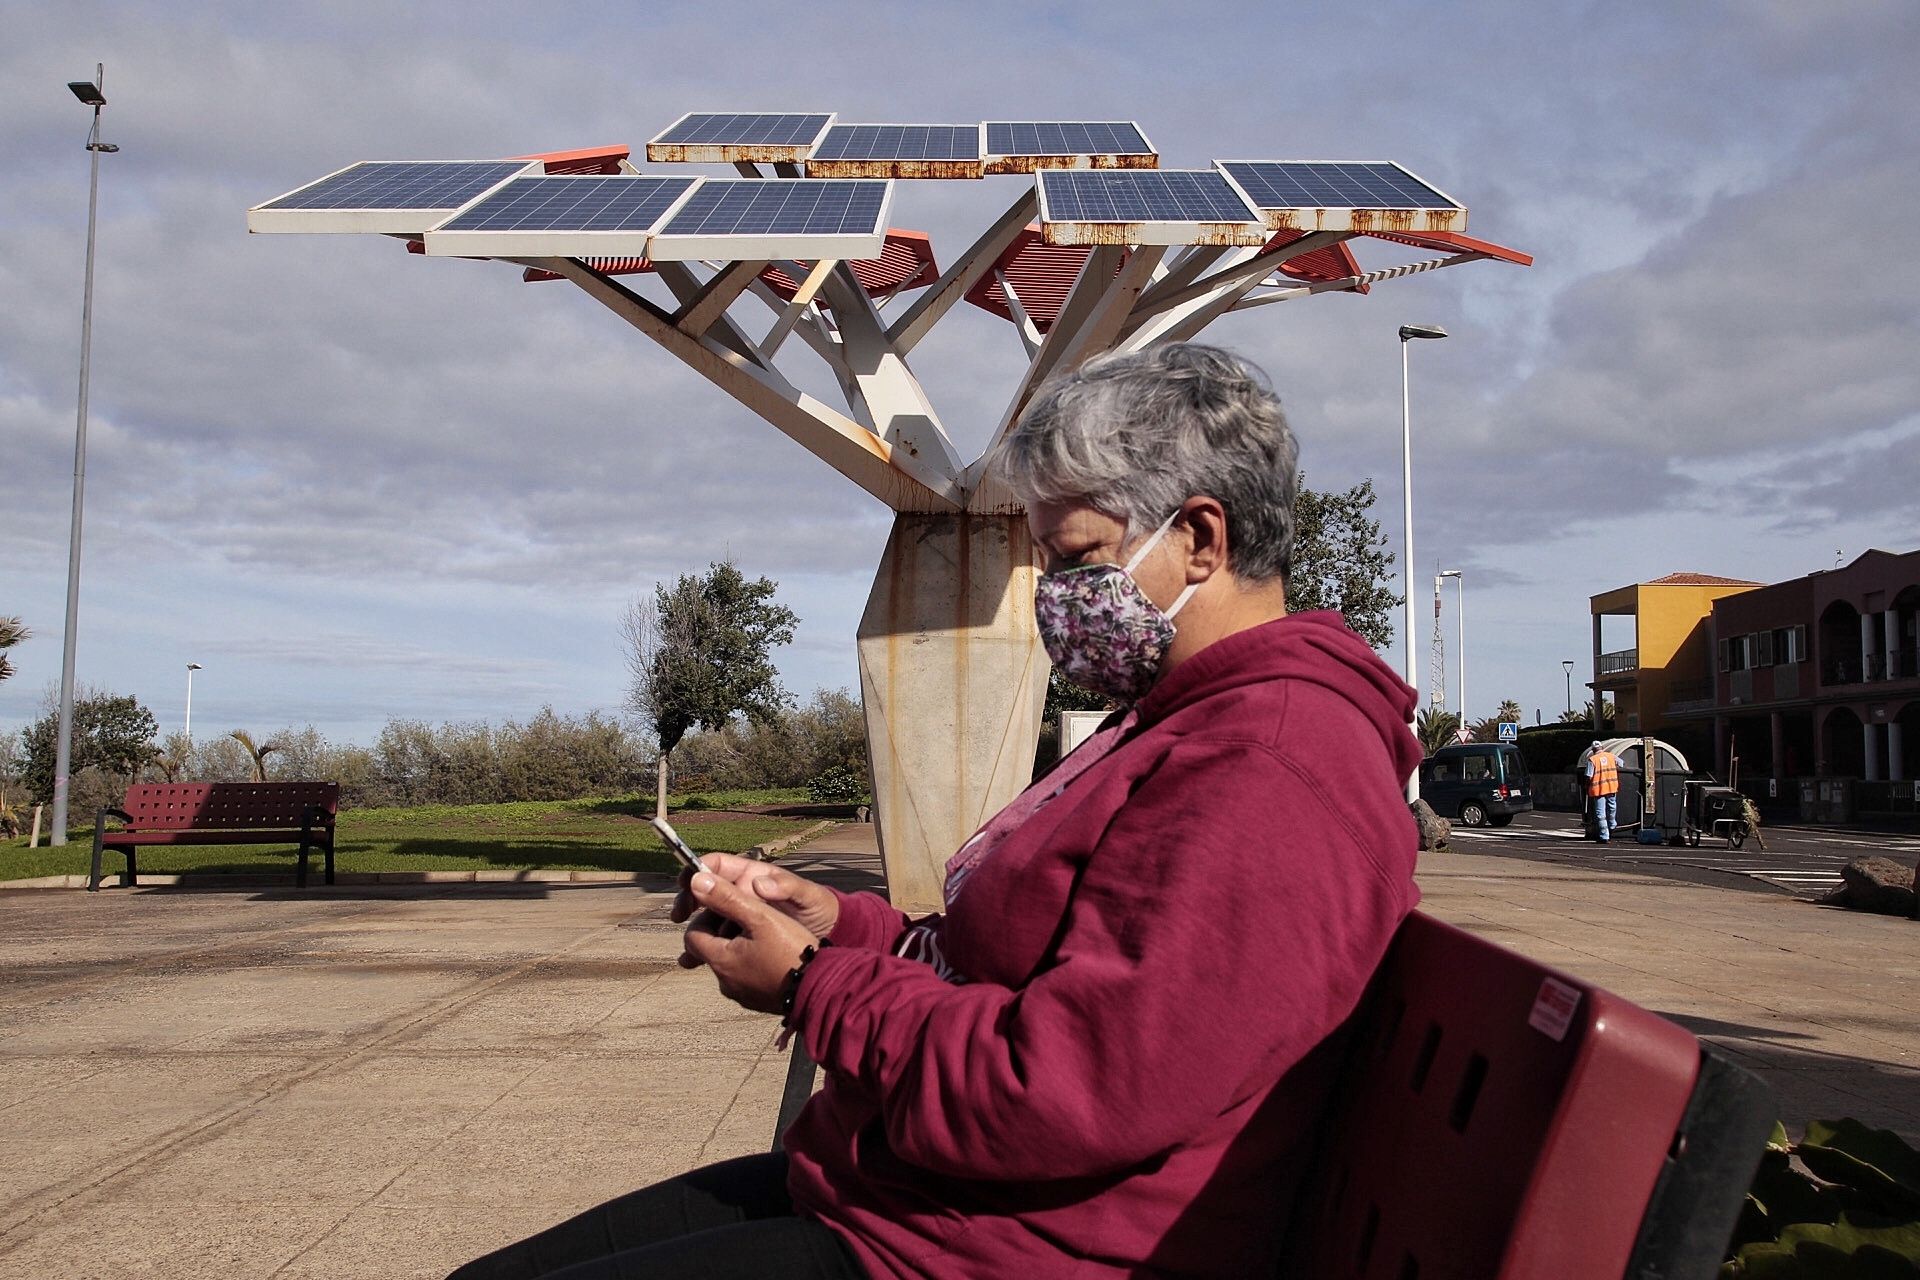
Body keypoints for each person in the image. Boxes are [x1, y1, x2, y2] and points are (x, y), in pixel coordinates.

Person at [449, 343, 1423, 1280]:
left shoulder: (1272, 760)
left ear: (1202, 538)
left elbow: (1069, 1086)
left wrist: (813, 985)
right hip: (896, 1196)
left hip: (988, 1250)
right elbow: (993, 956)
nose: (1052, 592)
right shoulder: (1179, 720)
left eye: (1075, 554)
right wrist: (839, 924)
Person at [1585, 740, 1621, 842]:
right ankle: (1612, 825)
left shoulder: (1592, 760)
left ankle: (1604, 836)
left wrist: (1586, 786)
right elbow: (1621, 763)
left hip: (1599, 790)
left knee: (1600, 814)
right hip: (1611, 787)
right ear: (1602, 747)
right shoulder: (1611, 756)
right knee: (1612, 808)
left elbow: (1588, 776)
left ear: (1593, 750)